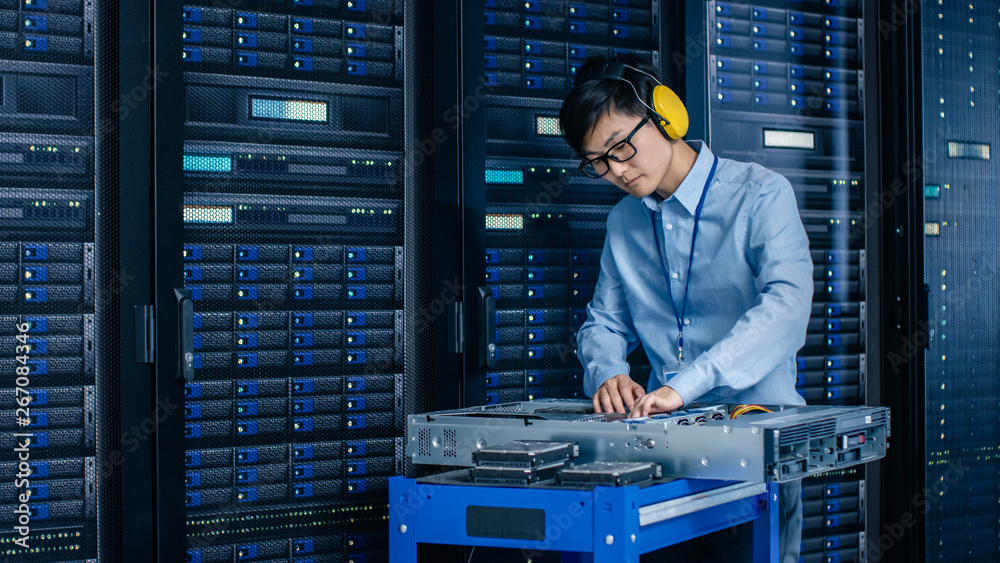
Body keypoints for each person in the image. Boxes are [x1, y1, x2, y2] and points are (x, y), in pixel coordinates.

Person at [560, 54, 813, 563]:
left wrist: (684, 385)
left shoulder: (760, 195)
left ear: (665, 116)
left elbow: (787, 307)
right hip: (661, 453)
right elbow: (604, 323)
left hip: (755, 449)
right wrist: (607, 372)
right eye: (598, 163)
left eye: (621, 147)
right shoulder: (623, 224)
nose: (617, 171)